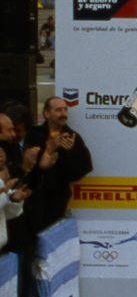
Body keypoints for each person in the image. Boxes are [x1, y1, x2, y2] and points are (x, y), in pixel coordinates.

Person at [21, 96, 94, 230]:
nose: (63, 114)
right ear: (47, 113)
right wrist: (48, 149)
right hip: (32, 195)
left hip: (58, 197)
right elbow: (27, 166)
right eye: (58, 110)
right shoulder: (34, 134)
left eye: (65, 110)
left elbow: (81, 171)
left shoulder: (73, 137)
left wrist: (70, 153)